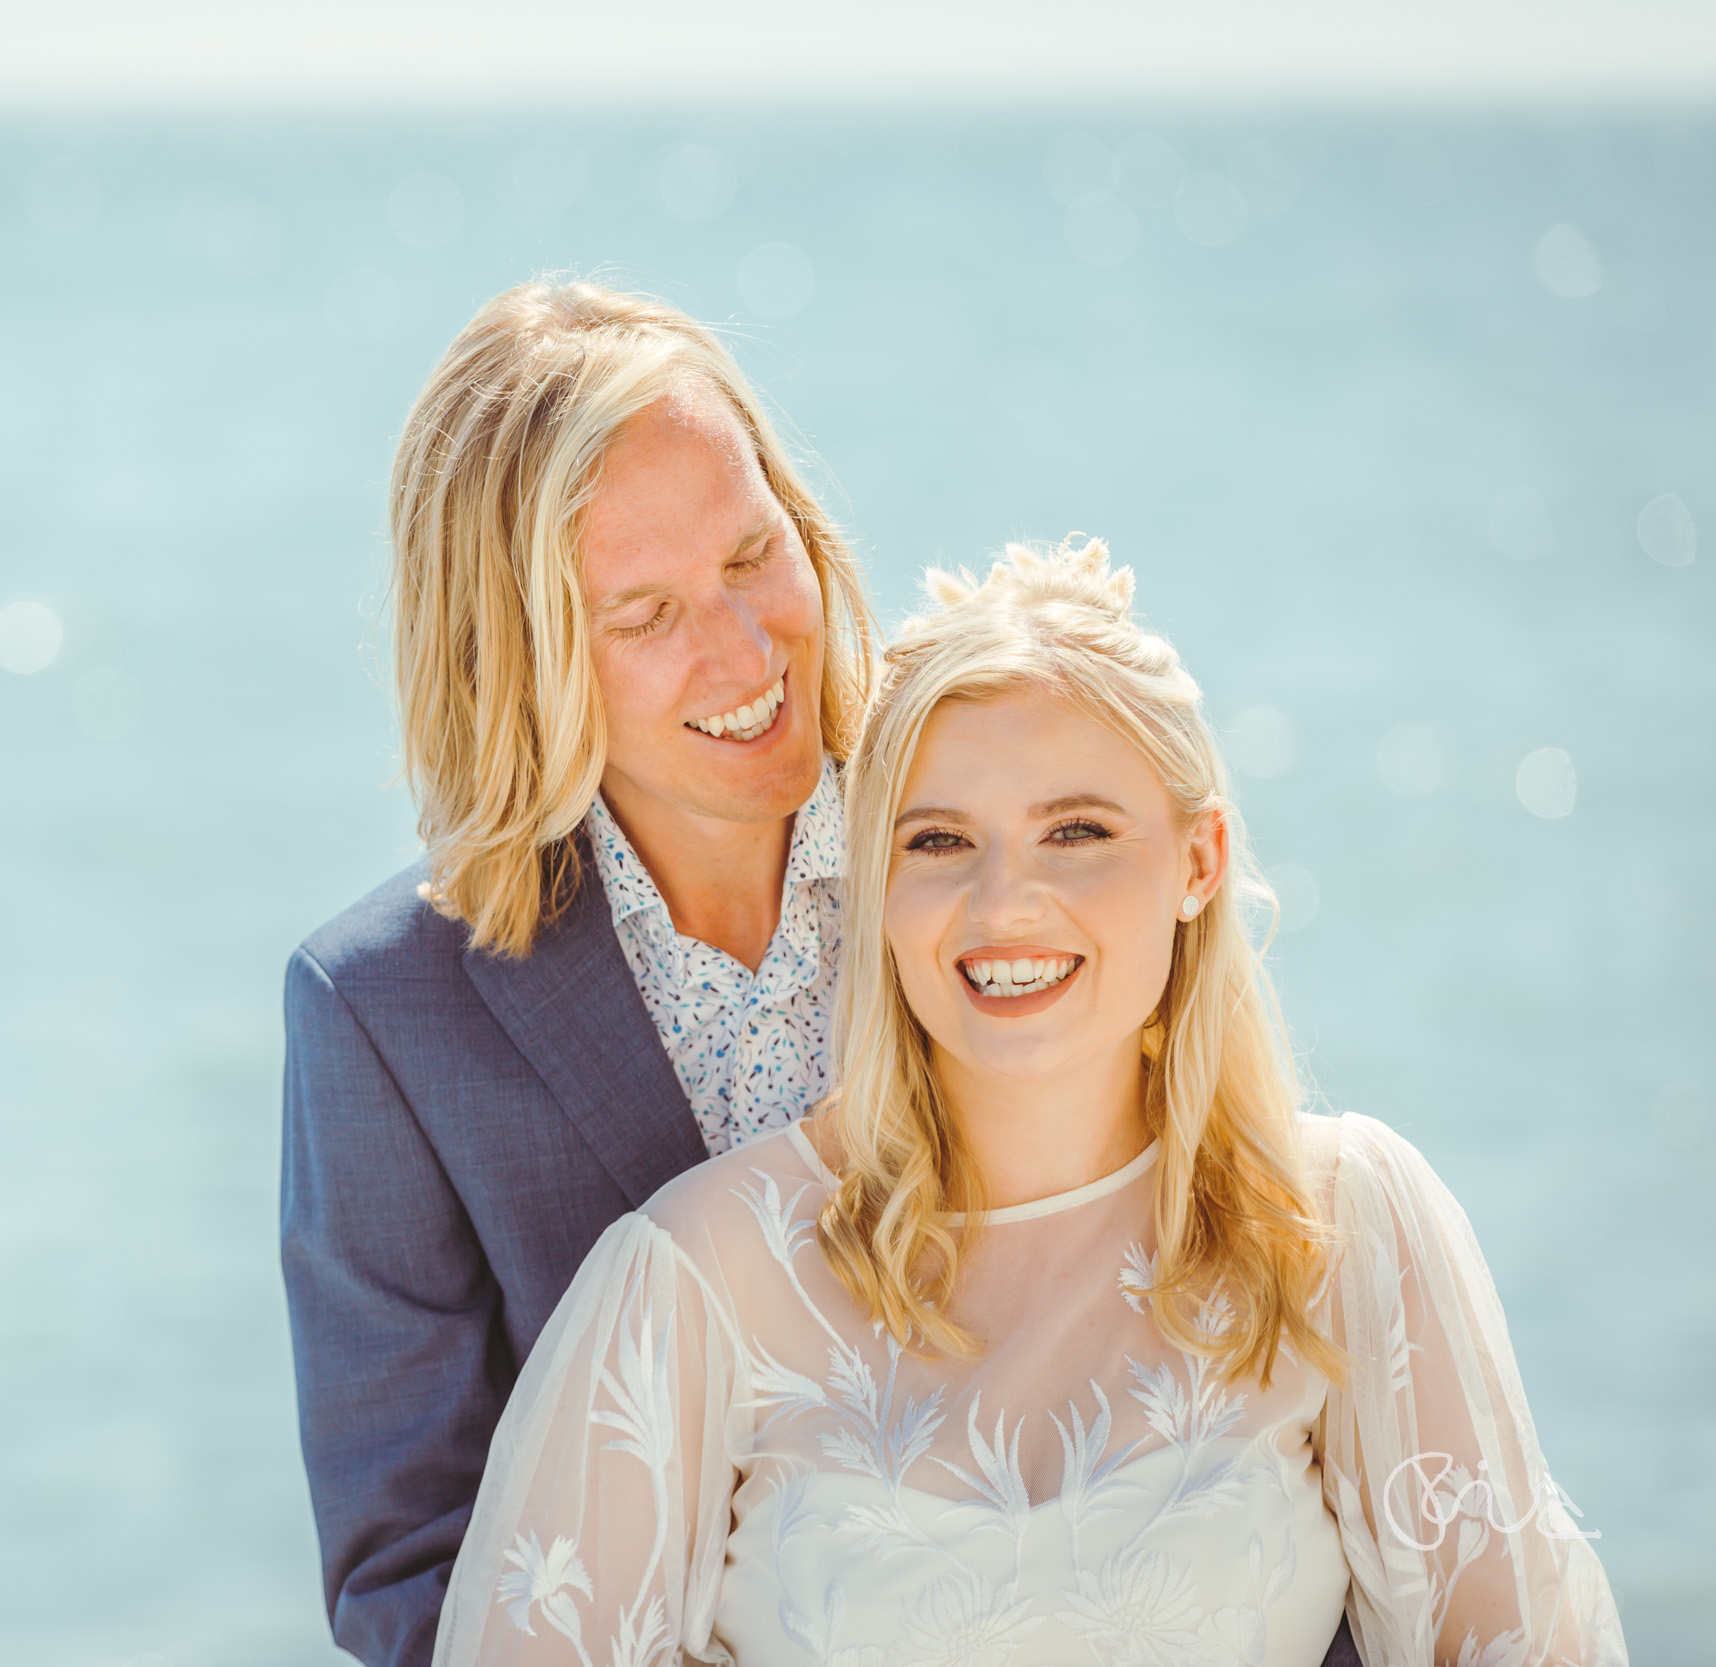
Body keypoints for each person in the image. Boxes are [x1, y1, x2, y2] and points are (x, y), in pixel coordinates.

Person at [432, 541, 1625, 1666]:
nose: (1005, 903)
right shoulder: (692, 1279)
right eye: (941, 839)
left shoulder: (1344, 1223)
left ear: (1198, 860)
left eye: (1077, 830)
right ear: (877, 882)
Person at [279, 280, 879, 1667]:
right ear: (522, 658)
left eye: (751, 552)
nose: (740, 648)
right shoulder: (383, 1015)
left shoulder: (995, 843)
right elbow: (410, 1572)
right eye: (646, 610)